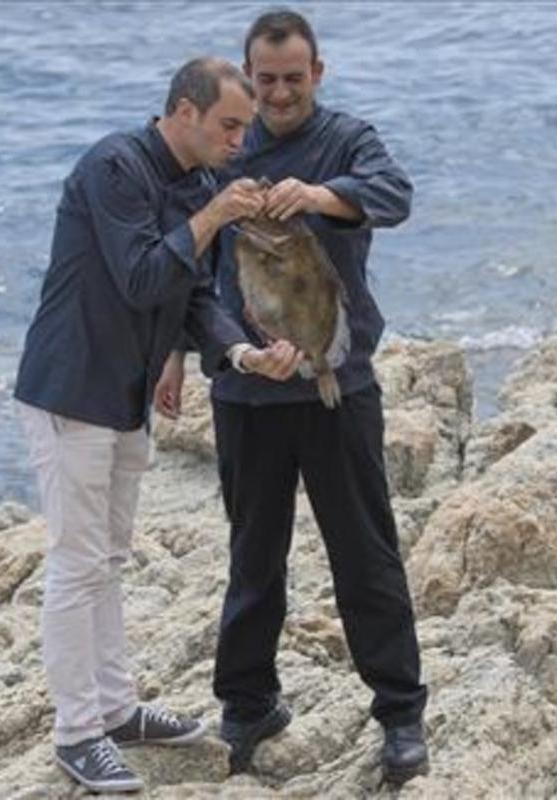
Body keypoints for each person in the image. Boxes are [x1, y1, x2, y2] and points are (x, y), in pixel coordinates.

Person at [154, 9, 430, 786]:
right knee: (253, 557)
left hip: (338, 385)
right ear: (246, 79)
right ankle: (246, 705)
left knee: (365, 553)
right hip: (245, 391)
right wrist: (177, 353)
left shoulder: (346, 140)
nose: (278, 94)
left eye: (292, 78)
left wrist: (319, 193)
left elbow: (394, 194)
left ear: (318, 73)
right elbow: (191, 268)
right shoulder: (219, 151)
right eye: (265, 80)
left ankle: (401, 713)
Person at [13, 57, 301, 794]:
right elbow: (142, 275)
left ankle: (114, 708)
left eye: (243, 127)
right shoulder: (114, 168)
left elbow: (195, 295)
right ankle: (78, 733)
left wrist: (239, 351)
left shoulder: (201, 183)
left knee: (109, 557)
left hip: (127, 393)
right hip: (70, 390)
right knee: (77, 564)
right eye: (228, 125)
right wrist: (215, 218)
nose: (241, 140)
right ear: (183, 113)